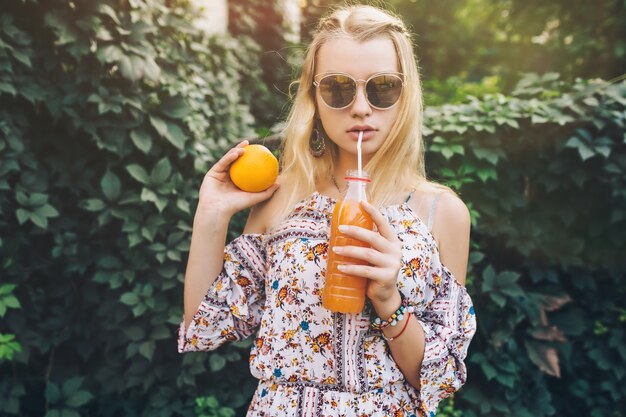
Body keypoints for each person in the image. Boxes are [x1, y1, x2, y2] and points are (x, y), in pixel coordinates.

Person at [179, 5, 477, 417]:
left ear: (405, 94)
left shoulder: (442, 213)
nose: (360, 107)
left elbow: (436, 377)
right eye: (338, 88)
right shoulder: (283, 197)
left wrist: (389, 298)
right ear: (313, 97)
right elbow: (206, 324)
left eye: (382, 87)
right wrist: (211, 216)